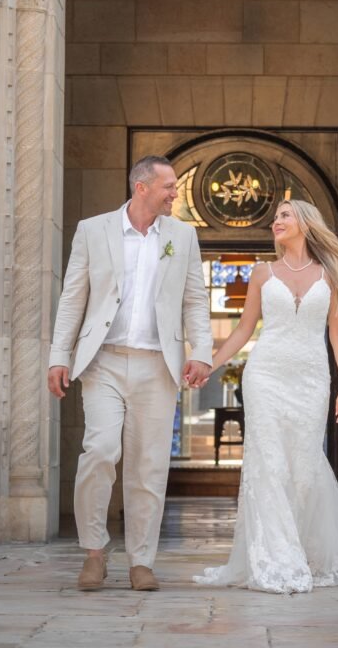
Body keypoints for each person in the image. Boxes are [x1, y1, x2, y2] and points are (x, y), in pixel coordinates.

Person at [194, 199, 338, 594]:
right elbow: (242, 330)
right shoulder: (262, 273)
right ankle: (276, 559)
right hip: (265, 374)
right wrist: (209, 363)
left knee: (303, 468)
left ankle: (304, 549)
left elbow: (337, 331)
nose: (276, 222)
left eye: (284, 215)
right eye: (275, 218)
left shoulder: (330, 273)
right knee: (269, 466)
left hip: (311, 378)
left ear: (304, 222)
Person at [48, 155, 212, 592]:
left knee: (149, 467)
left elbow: (195, 299)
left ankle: (142, 561)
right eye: (169, 186)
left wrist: (203, 353)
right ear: (142, 186)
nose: (175, 192)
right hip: (102, 362)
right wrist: (58, 355)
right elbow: (72, 298)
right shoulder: (93, 230)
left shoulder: (183, 236)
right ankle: (94, 553)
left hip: (159, 365)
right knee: (100, 451)